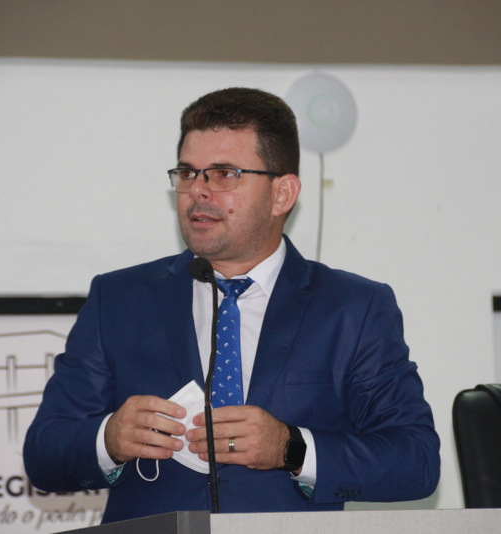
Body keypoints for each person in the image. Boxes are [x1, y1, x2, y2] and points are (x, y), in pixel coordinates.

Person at [23, 87, 440, 523]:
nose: (198, 191)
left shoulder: (353, 308)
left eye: (223, 174)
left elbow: (416, 460)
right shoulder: (119, 299)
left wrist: (291, 447)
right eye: (188, 173)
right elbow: (44, 453)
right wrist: (108, 439)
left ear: (282, 194)